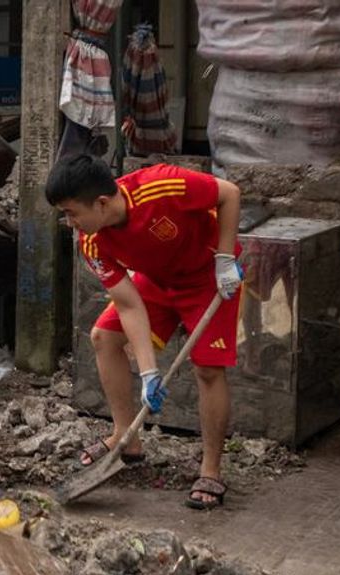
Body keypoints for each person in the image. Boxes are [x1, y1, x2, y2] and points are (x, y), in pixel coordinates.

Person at [45, 155, 243, 509]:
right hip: (156, 281)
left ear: (102, 203)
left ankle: (211, 468)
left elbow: (228, 193)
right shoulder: (93, 243)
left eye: (72, 213)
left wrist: (225, 258)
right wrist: (150, 372)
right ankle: (127, 436)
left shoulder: (161, 186)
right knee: (104, 337)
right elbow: (129, 305)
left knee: (208, 368)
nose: (70, 222)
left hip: (208, 276)